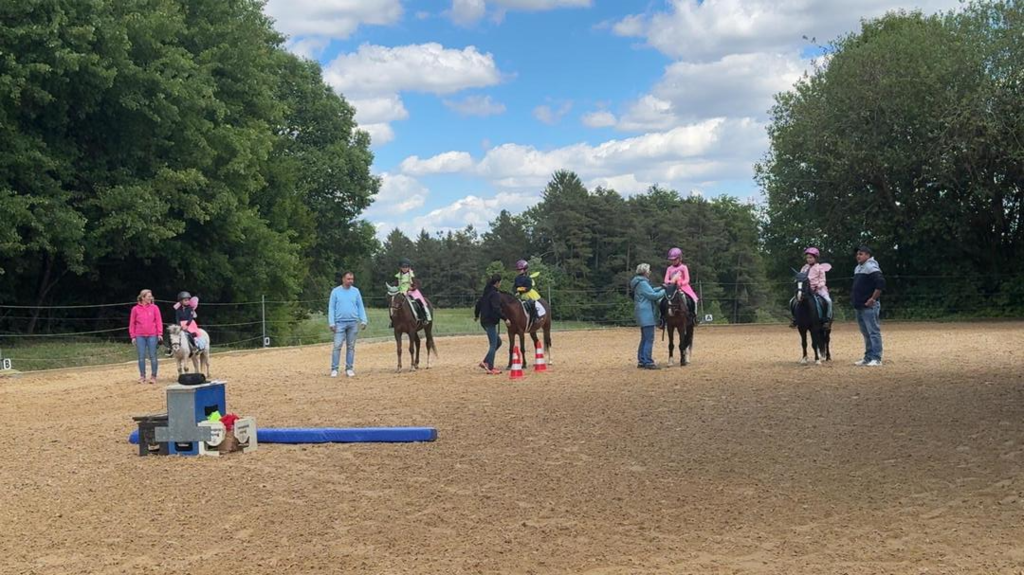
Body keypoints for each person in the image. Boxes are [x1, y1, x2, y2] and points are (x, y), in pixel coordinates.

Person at [328, 271, 368, 378]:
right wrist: (331, 322)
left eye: (352, 279)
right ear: (343, 279)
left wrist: (363, 320)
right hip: (339, 323)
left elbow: (360, 306)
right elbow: (331, 308)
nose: (351, 281)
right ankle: (334, 369)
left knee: (351, 347)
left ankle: (349, 368)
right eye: (348, 279)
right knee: (337, 346)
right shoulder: (335, 292)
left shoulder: (356, 291)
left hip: (353, 322)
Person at [852, 246, 885, 366]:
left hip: (869, 306)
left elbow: (881, 283)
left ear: (868, 255)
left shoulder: (871, 267)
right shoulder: (858, 268)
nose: (858, 256)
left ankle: (876, 358)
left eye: (861, 254)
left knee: (873, 332)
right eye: (857, 254)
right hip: (860, 305)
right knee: (866, 333)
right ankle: (868, 357)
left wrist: (873, 298)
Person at [630, 263, 666, 370]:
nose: (649, 272)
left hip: (641, 312)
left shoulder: (639, 282)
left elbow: (651, 290)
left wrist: (661, 287)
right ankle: (648, 361)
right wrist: (665, 291)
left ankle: (642, 360)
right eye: (648, 270)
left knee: (644, 338)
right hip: (646, 313)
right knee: (649, 338)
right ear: (645, 272)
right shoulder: (643, 283)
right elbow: (653, 296)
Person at [790, 247, 833, 327]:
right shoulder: (804, 268)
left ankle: (827, 319)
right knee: (792, 301)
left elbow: (823, 281)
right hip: (806, 290)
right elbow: (800, 277)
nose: (808, 259)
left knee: (828, 301)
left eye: (810, 257)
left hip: (818, 289)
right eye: (807, 258)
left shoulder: (820, 268)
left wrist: (818, 286)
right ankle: (795, 318)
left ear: (815, 258)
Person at [474, 274, 505, 375]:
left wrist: (476, 315)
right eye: (500, 282)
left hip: (484, 321)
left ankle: (486, 362)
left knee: (498, 342)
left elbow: (478, 304)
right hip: (489, 321)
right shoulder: (494, 294)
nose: (500, 284)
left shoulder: (486, 293)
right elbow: (496, 309)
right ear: (497, 283)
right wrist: (505, 318)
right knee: (493, 344)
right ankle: (490, 367)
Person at [129, 289, 162, 384]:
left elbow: (158, 321)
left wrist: (159, 333)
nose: (150, 298)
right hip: (140, 335)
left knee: (153, 356)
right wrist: (133, 336)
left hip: (152, 334)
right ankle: (142, 376)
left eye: (151, 296)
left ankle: (153, 376)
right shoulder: (135, 309)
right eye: (148, 296)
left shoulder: (155, 308)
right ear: (143, 297)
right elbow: (132, 323)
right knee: (141, 356)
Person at [660, 247, 699, 328]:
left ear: (679, 258)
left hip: (683, 287)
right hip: (672, 288)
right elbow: (666, 280)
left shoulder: (684, 267)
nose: (673, 261)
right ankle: (662, 319)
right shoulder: (669, 268)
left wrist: (680, 283)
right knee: (662, 301)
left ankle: (693, 317)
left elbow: (687, 279)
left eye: (675, 259)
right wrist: (670, 283)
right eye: (672, 260)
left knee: (693, 300)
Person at [395, 258, 432, 323]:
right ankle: (394, 320)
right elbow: (396, 285)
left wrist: (412, 288)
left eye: (406, 267)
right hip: (401, 291)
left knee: (419, 301)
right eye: (403, 267)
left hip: (411, 291)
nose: (404, 269)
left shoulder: (411, 275)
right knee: (395, 303)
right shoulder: (398, 276)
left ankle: (425, 317)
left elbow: (416, 284)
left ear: (409, 267)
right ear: (400, 268)